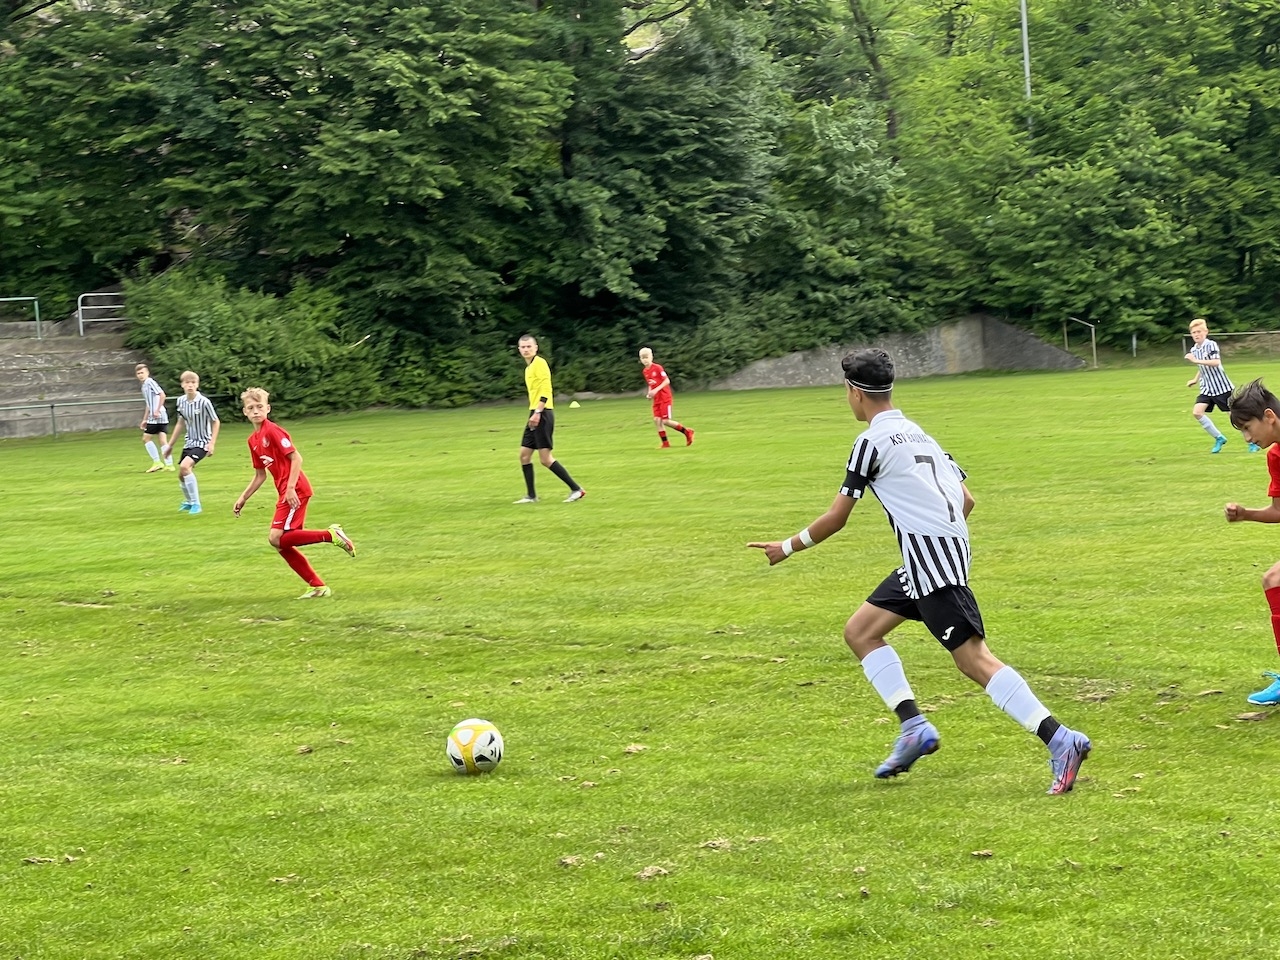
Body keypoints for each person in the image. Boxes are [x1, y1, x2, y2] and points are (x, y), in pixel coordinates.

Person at [747, 348, 1091, 795]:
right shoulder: (922, 435)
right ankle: (913, 727)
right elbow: (967, 500)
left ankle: (1060, 738)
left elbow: (837, 517)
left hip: (931, 563)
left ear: (854, 392)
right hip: (930, 559)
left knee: (973, 659)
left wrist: (787, 547)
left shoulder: (870, 442)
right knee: (861, 632)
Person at [232, 387, 355, 600]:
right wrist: (243, 498)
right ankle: (317, 587)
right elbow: (260, 475)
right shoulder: (253, 441)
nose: (255, 411)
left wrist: (290, 489)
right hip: (286, 491)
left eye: (259, 406)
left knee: (276, 538)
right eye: (250, 408)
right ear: (245, 412)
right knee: (282, 541)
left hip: (295, 489)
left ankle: (331, 535)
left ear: (268, 408)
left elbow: (296, 458)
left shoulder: (273, 431)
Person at [1223, 378, 1280, 704]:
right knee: (1274, 580)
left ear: (1268, 416)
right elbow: (1279, 510)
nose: (1247, 438)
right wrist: (1245, 514)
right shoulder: (1276, 456)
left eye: (1247, 428)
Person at [513, 334, 585, 504]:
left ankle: (577, 489)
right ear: (519, 349)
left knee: (545, 459)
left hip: (543, 413)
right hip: (534, 412)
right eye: (523, 347)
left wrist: (538, 412)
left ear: (536, 348)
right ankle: (531, 496)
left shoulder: (540, 363)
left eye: (529, 346)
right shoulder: (528, 368)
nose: (526, 349)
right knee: (524, 455)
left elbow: (546, 389)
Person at [1186, 318, 1259, 453]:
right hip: (1207, 389)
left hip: (1222, 388)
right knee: (1197, 412)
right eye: (1194, 332)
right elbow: (1202, 367)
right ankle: (1219, 438)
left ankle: (1253, 442)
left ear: (1206, 332)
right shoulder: (1194, 349)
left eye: (1199, 331)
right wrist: (1195, 379)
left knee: (1234, 417)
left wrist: (1196, 360)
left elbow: (1215, 362)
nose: (1196, 334)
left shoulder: (1211, 345)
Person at [160, 370, 220, 515]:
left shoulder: (204, 402)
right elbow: (180, 423)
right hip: (189, 442)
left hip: (203, 443)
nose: (190, 385)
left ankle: (196, 504)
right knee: (181, 474)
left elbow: (215, 421)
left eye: (193, 382)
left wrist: (212, 443)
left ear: (197, 384)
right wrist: (170, 445)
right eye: (187, 382)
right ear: (182, 385)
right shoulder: (181, 401)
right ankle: (189, 502)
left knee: (185, 467)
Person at [639, 347, 694, 448]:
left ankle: (687, 432)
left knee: (665, 421)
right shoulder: (645, 371)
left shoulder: (658, 368)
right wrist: (650, 393)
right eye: (642, 358)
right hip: (657, 399)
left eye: (646, 357)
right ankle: (665, 443)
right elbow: (651, 384)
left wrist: (656, 390)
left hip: (665, 397)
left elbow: (667, 381)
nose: (645, 360)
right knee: (657, 420)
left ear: (651, 357)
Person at [135, 364, 175, 473]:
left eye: (142, 372)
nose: (140, 375)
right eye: (138, 373)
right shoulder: (144, 386)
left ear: (147, 373)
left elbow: (162, 395)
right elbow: (149, 404)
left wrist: (156, 410)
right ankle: (169, 465)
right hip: (158, 415)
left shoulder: (149, 382)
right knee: (162, 440)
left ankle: (157, 462)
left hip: (157, 415)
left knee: (146, 438)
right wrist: (145, 419)